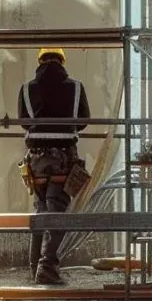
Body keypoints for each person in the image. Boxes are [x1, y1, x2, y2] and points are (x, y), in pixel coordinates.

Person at [17, 47, 92, 285]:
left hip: (36, 160)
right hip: (63, 159)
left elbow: (23, 122)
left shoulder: (27, 89)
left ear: (40, 61)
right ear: (63, 62)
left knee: (41, 212)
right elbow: (83, 121)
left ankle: (34, 266)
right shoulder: (76, 87)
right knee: (57, 213)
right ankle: (46, 267)